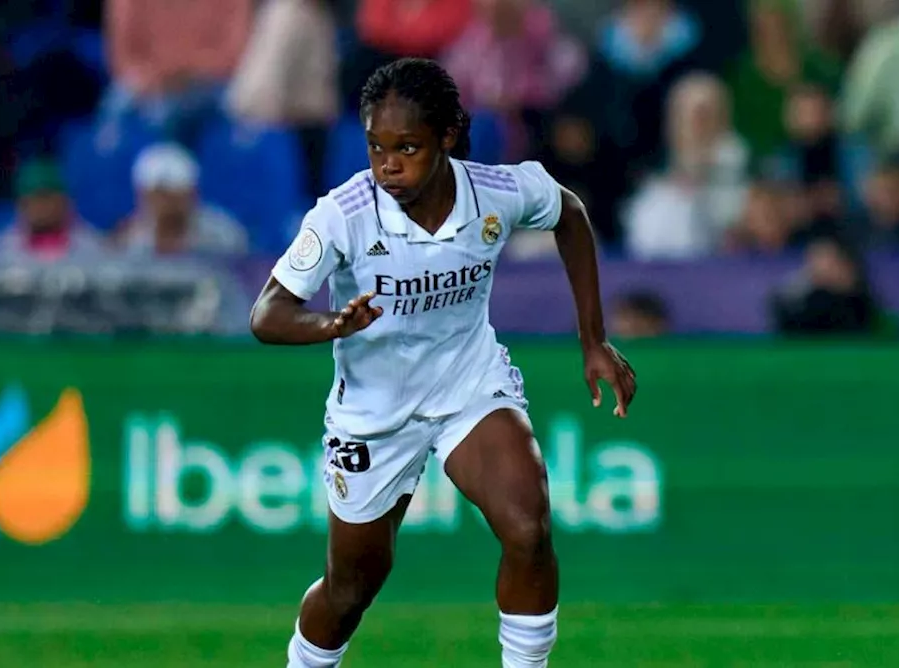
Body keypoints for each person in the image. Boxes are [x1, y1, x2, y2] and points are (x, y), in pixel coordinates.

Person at [249, 58, 635, 668]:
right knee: (353, 588)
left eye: (407, 147)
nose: (388, 165)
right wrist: (332, 325)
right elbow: (266, 315)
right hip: (373, 414)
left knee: (529, 528)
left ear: (449, 136)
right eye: (377, 147)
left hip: (468, 386)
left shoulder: (498, 193)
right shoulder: (344, 214)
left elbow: (571, 215)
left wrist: (593, 339)